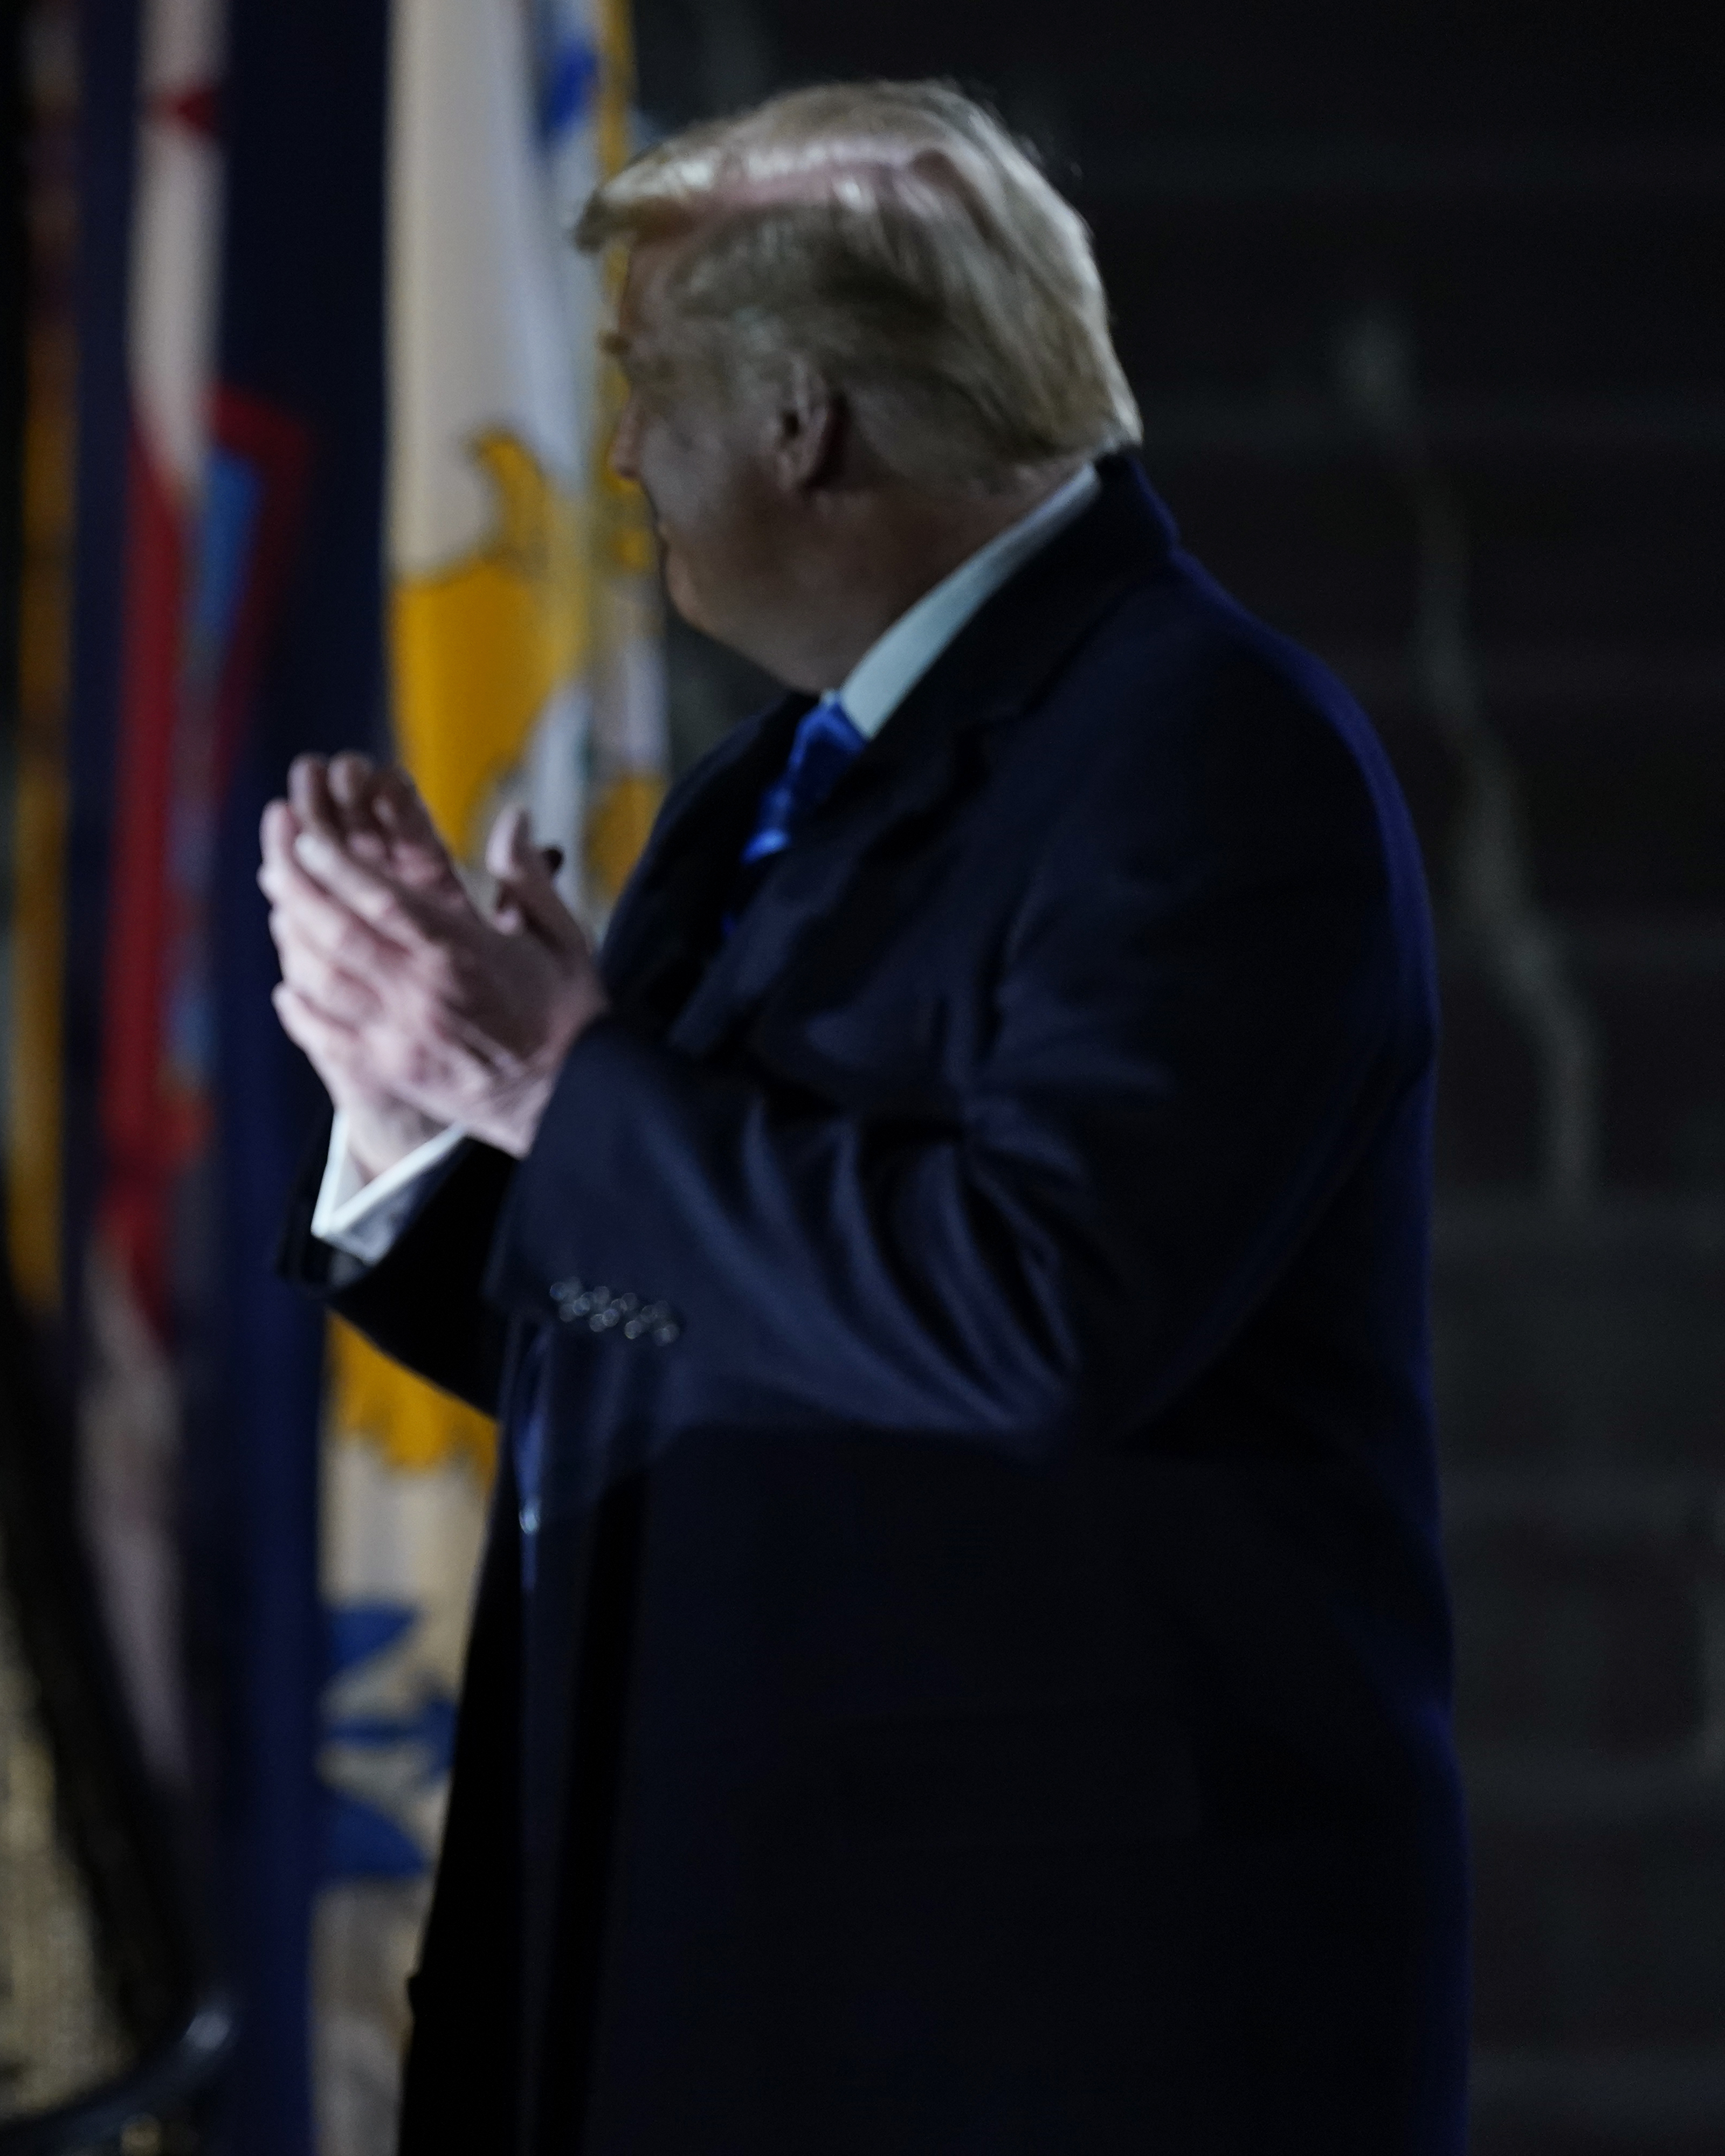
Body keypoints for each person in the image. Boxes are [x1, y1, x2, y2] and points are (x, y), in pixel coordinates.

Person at [263, 83, 1464, 2154]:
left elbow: (1038, 1315)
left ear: (805, 417)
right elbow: (698, 1324)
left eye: (648, 388)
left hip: (1022, 2034)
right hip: (706, 1969)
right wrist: (420, 1125)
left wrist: (556, 1083)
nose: (619, 450)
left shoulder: (1204, 751)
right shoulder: (763, 789)